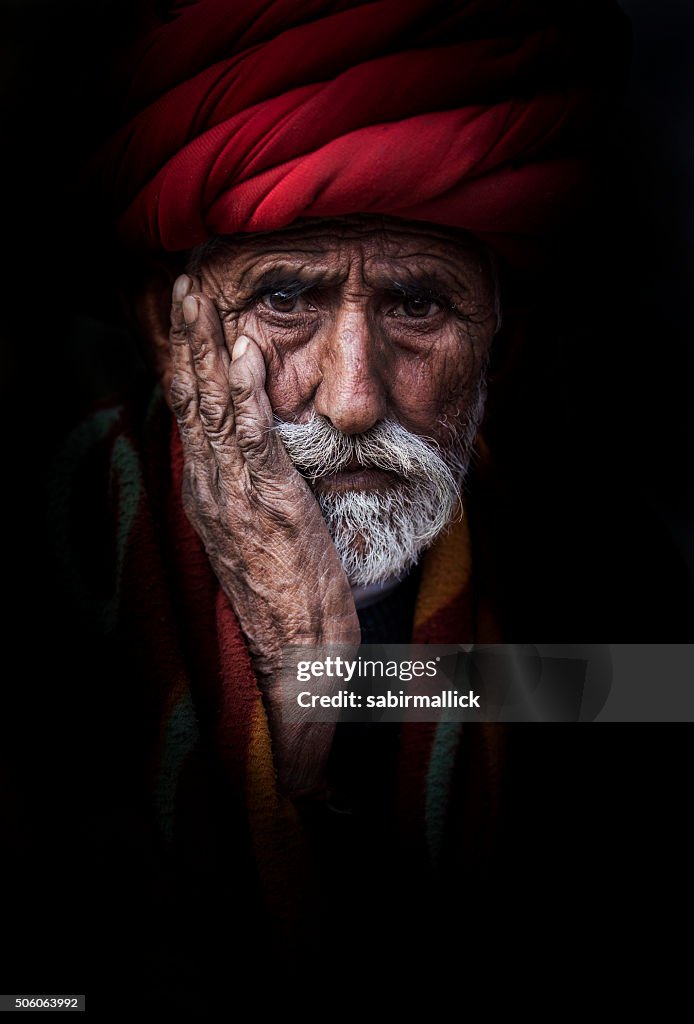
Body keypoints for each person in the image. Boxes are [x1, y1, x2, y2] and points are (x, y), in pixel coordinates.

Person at [10, 0, 694, 1009]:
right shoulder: (38, 564)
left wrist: (337, 684)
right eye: (286, 297)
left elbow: (637, 727)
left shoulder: (594, 562)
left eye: (418, 304)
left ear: (495, 336)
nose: (355, 397)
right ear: (170, 324)